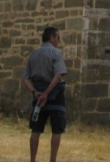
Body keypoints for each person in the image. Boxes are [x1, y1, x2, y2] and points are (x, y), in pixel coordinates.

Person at [22, 27, 67, 162]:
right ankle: (52, 159)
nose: (59, 41)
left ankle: (33, 159)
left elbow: (26, 78)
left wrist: (36, 93)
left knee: (36, 130)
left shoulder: (33, 55)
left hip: (38, 95)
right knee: (57, 130)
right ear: (51, 38)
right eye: (58, 38)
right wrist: (47, 93)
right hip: (55, 95)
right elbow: (58, 75)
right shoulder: (56, 53)